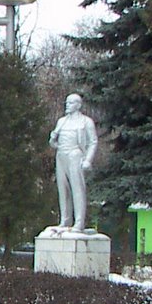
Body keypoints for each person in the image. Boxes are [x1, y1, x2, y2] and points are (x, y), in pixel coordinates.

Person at [49, 93, 98, 231]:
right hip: (61, 154)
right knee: (63, 188)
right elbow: (54, 142)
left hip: (75, 154)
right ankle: (65, 220)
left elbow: (93, 141)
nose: (67, 105)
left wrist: (88, 159)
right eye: (67, 102)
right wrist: (52, 139)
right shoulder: (61, 121)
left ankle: (79, 222)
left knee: (77, 189)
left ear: (78, 105)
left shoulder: (86, 121)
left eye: (70, 103)